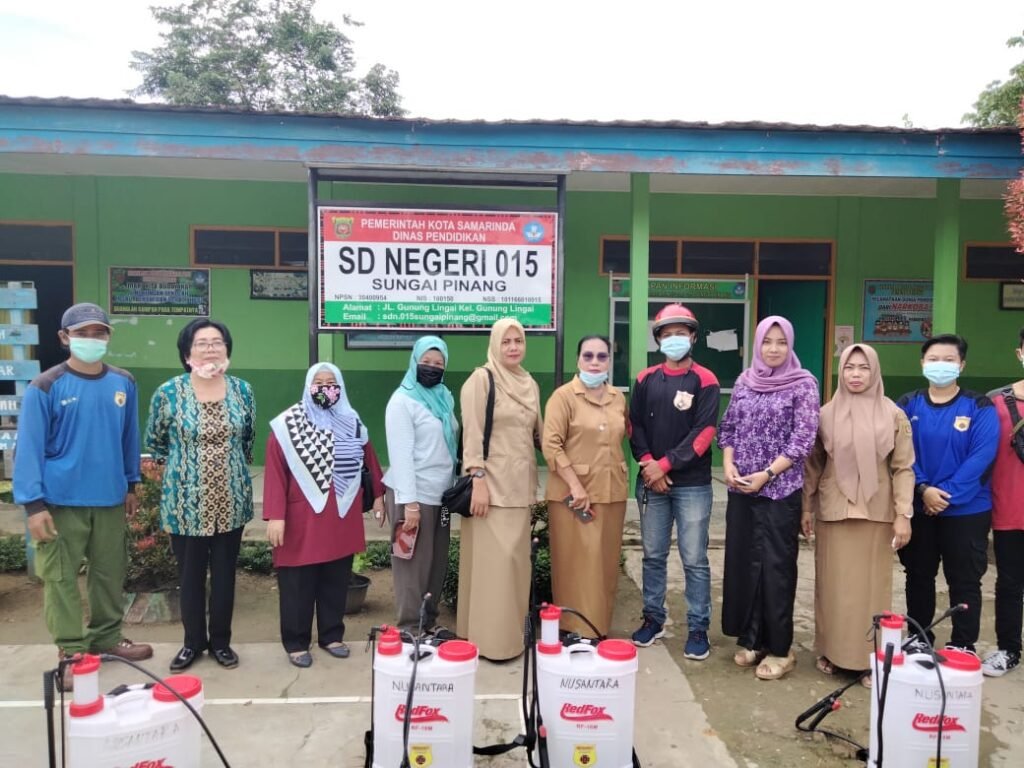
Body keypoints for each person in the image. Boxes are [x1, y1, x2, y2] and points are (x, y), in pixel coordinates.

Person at [14, 302, 152, 691]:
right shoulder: (46, 385)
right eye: (82, 333)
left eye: (98, 332)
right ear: (65, 337)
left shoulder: (123, 382)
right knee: (60, 578)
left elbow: (129, 436)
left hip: (108, 498)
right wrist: (34, 505)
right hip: (60, 502)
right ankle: (71, 652)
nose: (91, 339)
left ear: (109, 336)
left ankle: (107, 638)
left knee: (109, 573)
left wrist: (131, 483)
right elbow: (29, 448)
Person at [145, 318, 255, 671]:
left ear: (227, 349)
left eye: (217, 342)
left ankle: (221, 643)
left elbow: (247, 440)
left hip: (231, 500)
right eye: (202, 343)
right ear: (186, 352)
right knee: (190, 577)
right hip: (185, 503)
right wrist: (187, 470)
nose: (210, 348)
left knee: (224, 576)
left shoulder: (243, 391)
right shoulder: (168, 392)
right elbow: (156, 443)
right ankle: (192, 643)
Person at [802, 343, 914, 683]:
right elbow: (813, 465)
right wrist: (806, 507)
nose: (855, 374)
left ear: (874, 371)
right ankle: (831, 651)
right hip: (834, 509)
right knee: (832, 586)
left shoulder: (893, 414)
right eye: (849, 367)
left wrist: (903, 513)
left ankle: (869, 658)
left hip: (877, 511)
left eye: (863, 368)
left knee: (871, 589)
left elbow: (903, 467)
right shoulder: (825, 414)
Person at [263, 363, 385, 667]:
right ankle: (296, 642)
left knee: (336, 579)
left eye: (332, 382)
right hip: (300, 519)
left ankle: (331, 635)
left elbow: (369, 459)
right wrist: (275, 515)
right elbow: (276, 470)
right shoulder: (289, 424)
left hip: (341, 514)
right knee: (298, 583)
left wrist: (379, 496)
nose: (326, 388)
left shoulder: (351, 420)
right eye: (318, 382)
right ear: (308, 386)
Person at [719, 315, 819, 680]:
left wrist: (768, 474)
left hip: (780, 490)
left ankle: (780, 648)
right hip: (742, 488)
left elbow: (803, 439)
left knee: (776, 568)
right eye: (767, 341)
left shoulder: (803, 384)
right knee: (745, 564)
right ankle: (752, 639)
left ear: (790, 345)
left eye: (781, 342)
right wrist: (728, 464)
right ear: (757, 343)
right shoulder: (745, 381)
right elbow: (728, 427)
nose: (773, 349)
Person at [896, 334, 998, 655]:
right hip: (919, 506)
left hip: (967, 511)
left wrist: (945, 496)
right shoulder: (907, 404)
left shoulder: (979, 407)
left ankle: (963, 644)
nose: (941, 365)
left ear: (962, 365)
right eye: (934, 359)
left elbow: (982, 457)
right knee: (918, 576)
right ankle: (918, 637)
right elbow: (900, 453)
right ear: (922, 363)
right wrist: (923, 489)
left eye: (949, 360)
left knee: (965, 579)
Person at [629, 304, 720, 660]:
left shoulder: (706, 380)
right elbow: (634, 426)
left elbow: (704, 432)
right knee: (653, 555)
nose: (674, 339)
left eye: (681, 333)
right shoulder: (645, 379)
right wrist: (648, 465)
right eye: (667, 334)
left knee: (694, 559)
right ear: (658, 340)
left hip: (693, 485)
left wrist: (665, 465)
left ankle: (698, 627)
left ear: (693, 336)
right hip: (651, 482)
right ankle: (654, 618)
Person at [458, 318, 543, 661]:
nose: (513, 347)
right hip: (490, 490)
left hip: (521, 488)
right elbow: (472, 434)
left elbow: (539, 435)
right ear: (495, 344)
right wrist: (477, 478)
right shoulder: (481, 380)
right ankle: (489, 642)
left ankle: (511, 639)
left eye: (518, 341)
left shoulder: (530, 383)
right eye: (506, 341)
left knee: (516, 568)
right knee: (494, 567)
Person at [542, 335, 629, 637]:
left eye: (602, 356)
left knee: (604, 564)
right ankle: (572, 628)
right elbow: (551, 445)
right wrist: (576, 486)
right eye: (588, 355)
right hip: (574, 495)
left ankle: (598, 627)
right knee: (575, 564)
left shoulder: (618, 398)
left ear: (609, 361)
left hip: (612, 491)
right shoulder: (563, 397)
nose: (595, 362)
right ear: (578, 359)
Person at [383, 336, 458, 638]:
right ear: (414, 361)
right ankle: (410, 627)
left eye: (439, 363)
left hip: (442, 499)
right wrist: (410, 504)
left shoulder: (445, 398)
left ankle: (429, 621)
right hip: (413, 497)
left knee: (437, 562)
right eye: (426, 362)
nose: (432, 367)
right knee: (411, 563)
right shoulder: (402, 401)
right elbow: (401, 456)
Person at [983, 327, 1024, 676]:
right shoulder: (995, 402)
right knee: (1010, 584)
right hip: (1010, 508)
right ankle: (1009, 648)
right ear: (1019, 353)